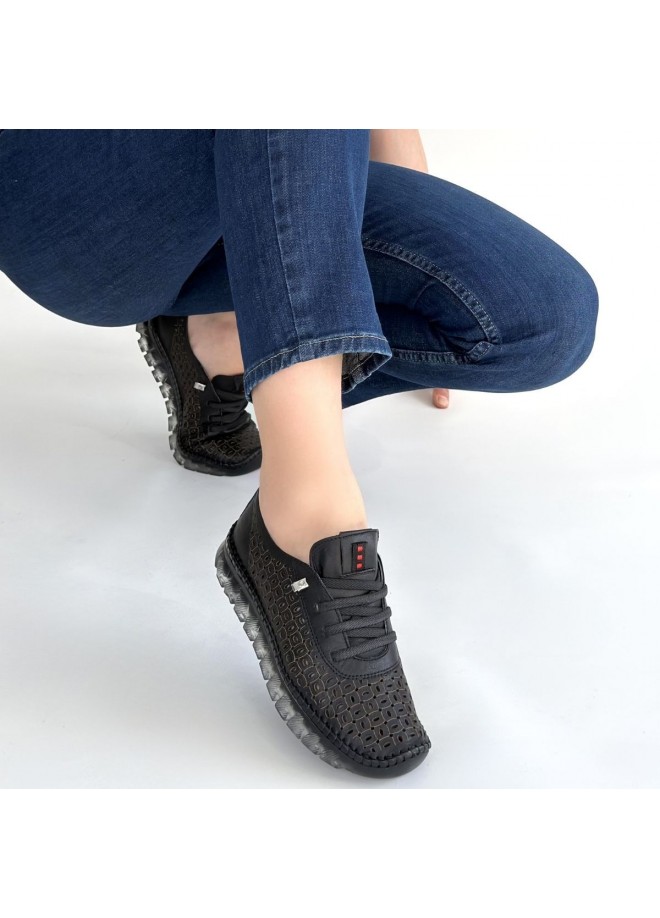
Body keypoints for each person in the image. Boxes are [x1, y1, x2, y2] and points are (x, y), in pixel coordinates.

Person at [0, 129, 598, 778]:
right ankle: (308, 512)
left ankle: (223, 342)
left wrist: (417, 222)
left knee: (539, 318)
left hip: (278, 164)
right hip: (78, 192)